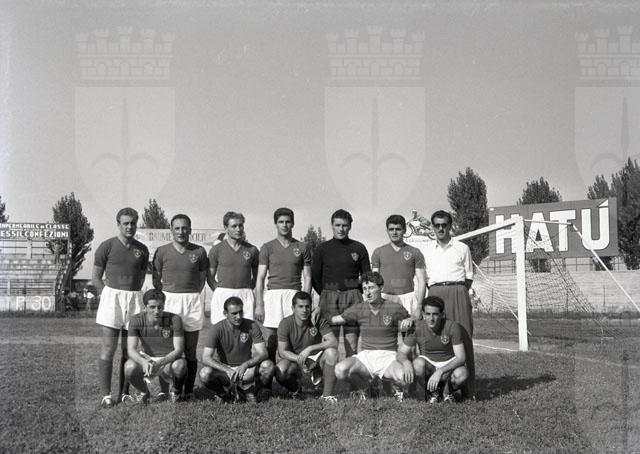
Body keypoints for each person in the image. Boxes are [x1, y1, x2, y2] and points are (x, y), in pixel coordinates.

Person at [92, 207, 149, 408]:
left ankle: (124, 393)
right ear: (118, 224)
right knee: (109, 348)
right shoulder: (106, 246)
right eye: (125, 223)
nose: (129, 227)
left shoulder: (142, 249)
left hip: (133, 299)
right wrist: (107, 295)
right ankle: (106, 395)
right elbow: (96, 277)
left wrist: (133, 295)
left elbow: (141, 277)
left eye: (133, 223)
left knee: (129, 349)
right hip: (112, 298)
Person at [331, 271, 413, 401]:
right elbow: (335, 319)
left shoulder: (394, 307)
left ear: (381, 287)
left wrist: (410, 319)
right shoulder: (359, 308)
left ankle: (394, 388)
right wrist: (317, 314)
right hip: (366, 357)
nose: (367, 292)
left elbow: (413, 319)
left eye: (371, 288)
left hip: (389, 356)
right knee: (340, 370)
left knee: (405, 378)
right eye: (364, 289)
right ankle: (366, 388)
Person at [152, 214, 208, 400]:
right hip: (169, 300)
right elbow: (156, 279)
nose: (181, 231)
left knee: (190, 350)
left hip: (191, 300)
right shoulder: (162, 251)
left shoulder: (199, 252)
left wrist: (190, 294)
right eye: (177, 228)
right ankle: (170, 389)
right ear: (171, 230)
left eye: (184, 228)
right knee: (168, 348)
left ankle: (189, 390)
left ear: (190, 230)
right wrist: (165, 297)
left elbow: (202, 280)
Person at [422, 209, 475, 399]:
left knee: (464, 338)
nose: (441, 228)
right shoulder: (426, 251)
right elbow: (425, 279)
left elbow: (469, 277)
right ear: (432, 227)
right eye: (437, 225)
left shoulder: (462, 248)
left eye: (444, 225)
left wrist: (457, 291)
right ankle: (434, 389)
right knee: (436, 338)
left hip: (458, 292)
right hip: (436, 292)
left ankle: (469, 390)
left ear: (450, 226)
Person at [311, 209, 370, 358]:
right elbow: (315, 277)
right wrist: (326, 294)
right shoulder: (322, 249)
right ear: (332, 225)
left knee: (352, 343)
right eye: (337, 225)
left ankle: (350, 372)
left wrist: (356, 292)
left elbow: (366, 276)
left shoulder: (359, 248)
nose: (341, 229)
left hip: (353, 299)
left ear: (350, 226)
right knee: (331, 344)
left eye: (344, 225)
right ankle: (329, 372)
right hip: (329, 298)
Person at [255, 208, 312, 360]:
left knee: (294, 337)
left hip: (294, 295)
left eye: (288, 222)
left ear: (293, 223)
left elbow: (307, 276)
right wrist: (259, 304)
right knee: (271, 340)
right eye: (281, 222)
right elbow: (260, 277)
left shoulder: (302, 247)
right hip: (273, 295)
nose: (284, 225)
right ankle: (268, 372)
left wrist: (305, 300)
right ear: (276, 224)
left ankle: (292, 371)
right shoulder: (267, 247)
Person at [199, 296, 275, 402]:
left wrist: (246, 365)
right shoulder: (216, 329)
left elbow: (263, 353)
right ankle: (223, 394)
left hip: (246, 370)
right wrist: (226, 369)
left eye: (240, 312)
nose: (238, 316)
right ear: (225, 313)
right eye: (234, 313)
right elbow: (206, 358)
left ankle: (251, 392)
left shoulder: (252, 325)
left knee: (268, 366)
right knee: (204, 373)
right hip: (226, 372)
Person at [397, 296, 468, 403]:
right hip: (428, 365)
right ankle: (432, 393)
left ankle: (446, 393)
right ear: (423, 314)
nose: (431, 318)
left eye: (435, 314)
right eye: (428, 314)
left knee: (462, 374)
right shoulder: (416, 327)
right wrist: (406, 363)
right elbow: (401, 352)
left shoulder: (452, 327)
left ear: (442, 314)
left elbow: (461, 358)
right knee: (417, 365)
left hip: (448, 365)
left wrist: (440, 371)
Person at [124, 289, 186, 403]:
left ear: (164, 306)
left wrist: (160, 363)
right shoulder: (136, 320)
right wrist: (143, 362)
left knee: (180, 365)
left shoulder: (175, 319)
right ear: (145, 307)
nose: (157, 311)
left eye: (160, 307)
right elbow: (131, 349)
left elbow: (179, 349)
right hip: (148, 359)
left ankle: (175, 392)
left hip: (168, 360)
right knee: (129, 367)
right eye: (152, 307)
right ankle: (143, 391)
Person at [275, 291, 339, 402]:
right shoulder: (285, 323)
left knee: (332, 353)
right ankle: (296, 390)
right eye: (300, 307)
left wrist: (310, 348)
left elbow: (333, 342)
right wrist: (305, 360)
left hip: (316, 358)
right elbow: (282, 351)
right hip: (295, 360)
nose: (304, 310)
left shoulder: (317, 319)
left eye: (307, 306)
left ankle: (327, 395)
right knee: (280, 369)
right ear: (293, 308)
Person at [371, 214, 427, 320]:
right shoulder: (378, 252)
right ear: (387, 231)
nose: (394, 232)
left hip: (408, 298)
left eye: (398, 229)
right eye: (391, 229)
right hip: (385, 298)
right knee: (385, 330)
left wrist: (419, 306)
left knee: (409, 330)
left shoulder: (415, 252)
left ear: (404, 230)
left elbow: (422, 281)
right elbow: (374, 281)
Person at [207, 212, 259, 324]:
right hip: (223, 294)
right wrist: (219, 290)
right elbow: (210, 276)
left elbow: (257, 276)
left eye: (240, 225)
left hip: (245, 294)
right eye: (234, 226)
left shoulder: (252, 250)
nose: (238, 229)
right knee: (221, 328)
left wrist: (248, 289)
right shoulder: (216, 249)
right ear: (226, 228)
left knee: (246, 329)